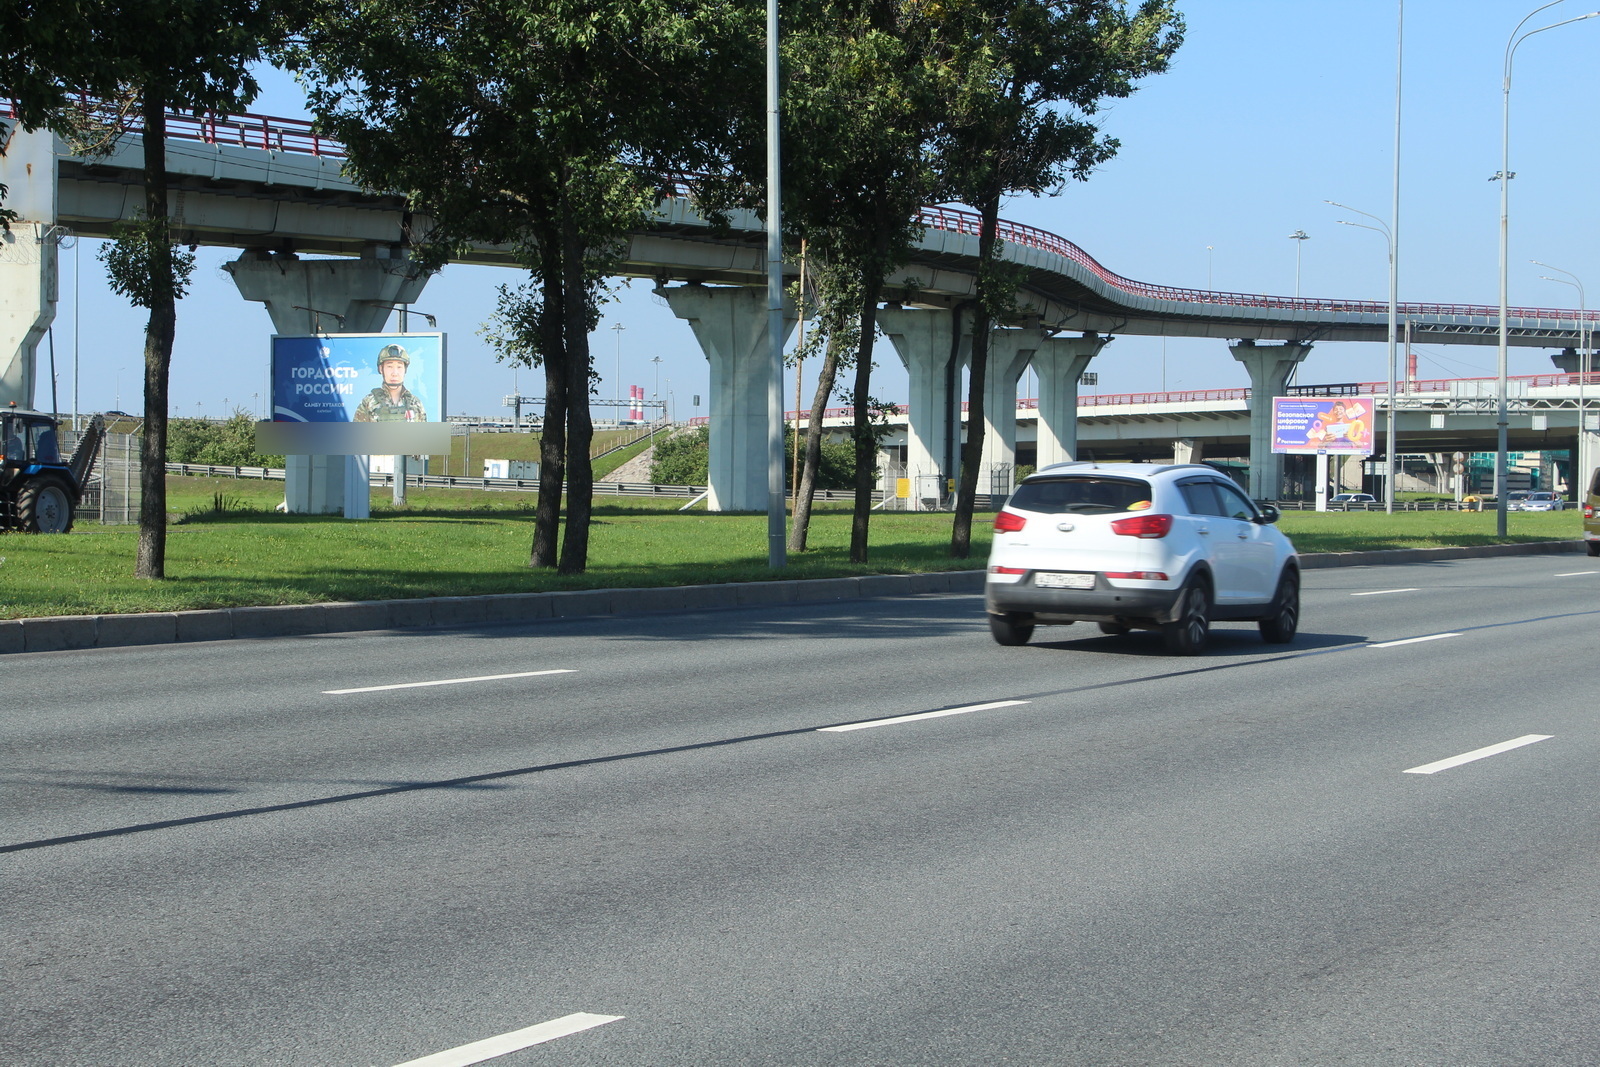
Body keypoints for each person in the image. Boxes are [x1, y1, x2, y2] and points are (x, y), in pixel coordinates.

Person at [353, 344, 427, 422]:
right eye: (389, 366)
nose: (394, 373)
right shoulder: (369, 403)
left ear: (405, 370)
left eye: (399, 367)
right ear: (381, 369)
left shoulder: (415, 404)